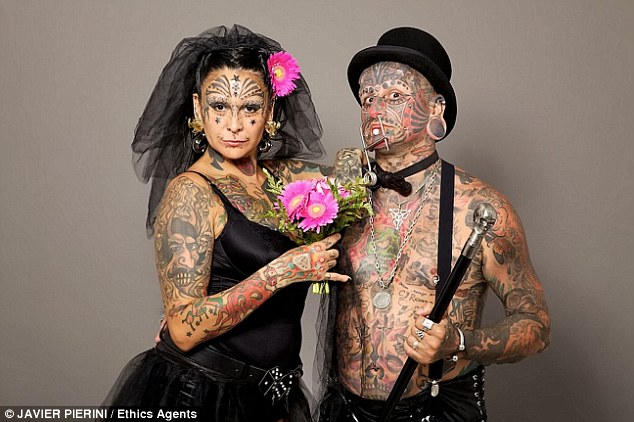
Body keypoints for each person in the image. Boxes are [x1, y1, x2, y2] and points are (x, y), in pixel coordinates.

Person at [102, 25, 358, 422]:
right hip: (203, 393)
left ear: (270, 111)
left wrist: (354, 161)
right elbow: (183, 330)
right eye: (219, 106)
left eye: (250, 108)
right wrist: (281, 273)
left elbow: (353, 174)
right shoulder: (191, 192)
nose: (234, 124)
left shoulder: (284, 179)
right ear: (198, 109)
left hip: (276, 396)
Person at [316, 27, 551, 421]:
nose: (375, 109)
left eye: (394, 96)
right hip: (345, 409)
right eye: (367, 97)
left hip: (437, 408)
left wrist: (459, 341)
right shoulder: (337, 199)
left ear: (436, 109)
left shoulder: (480, 207)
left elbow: (536, 325)